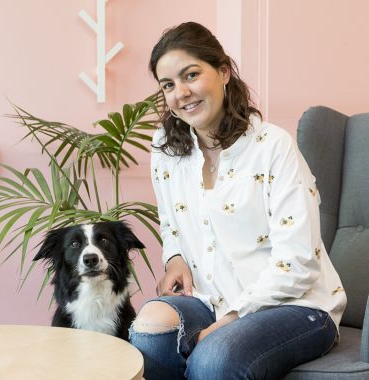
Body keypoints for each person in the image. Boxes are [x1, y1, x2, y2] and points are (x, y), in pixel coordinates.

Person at [129, 21, 347, 380]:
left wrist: (232, 319)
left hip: (298, 305)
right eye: (168, 85)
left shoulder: (273, 146)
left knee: (214, 360)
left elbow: (298, 262)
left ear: (224, 71)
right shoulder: (165, 149)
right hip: (211, 299)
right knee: (150, 333)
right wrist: (175, 257)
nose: (181, 92)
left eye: (191, 75)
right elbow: (170, 221)